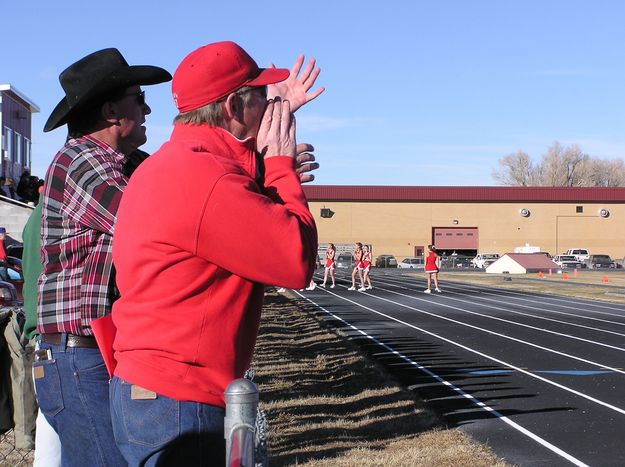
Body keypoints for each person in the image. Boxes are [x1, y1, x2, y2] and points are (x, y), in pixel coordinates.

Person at [109, 40, 321, 465]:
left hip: (155, 392)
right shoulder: (204, 177)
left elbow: (229, 196)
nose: (271, 105)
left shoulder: (178, 162)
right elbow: (294, 260)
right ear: (231, 107)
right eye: (261, 97)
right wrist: (278, 166)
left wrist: (265, 154)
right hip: (180, 400)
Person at [33, 48, 172, 466]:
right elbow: (152, 222)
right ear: (112, 111)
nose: (147, 108)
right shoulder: (79, 161)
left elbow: (188, 188)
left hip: (93, 352)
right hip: (78, 355)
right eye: (139, 97)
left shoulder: (130, 163)